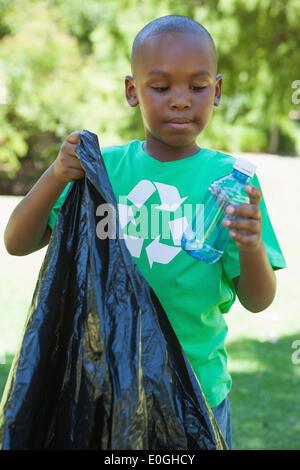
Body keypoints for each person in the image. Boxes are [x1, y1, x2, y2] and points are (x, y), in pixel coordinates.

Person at [4, 15, 286, 449]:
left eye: (197, 87)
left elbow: (257, 299)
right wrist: (57, 174)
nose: (180, 101)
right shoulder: (103, 172)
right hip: (105, 389)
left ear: (218, 90)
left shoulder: (231, 183)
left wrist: (250, 246)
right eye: (161, 87)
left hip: (197, 393)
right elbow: (18, 242)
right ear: (132, 91)